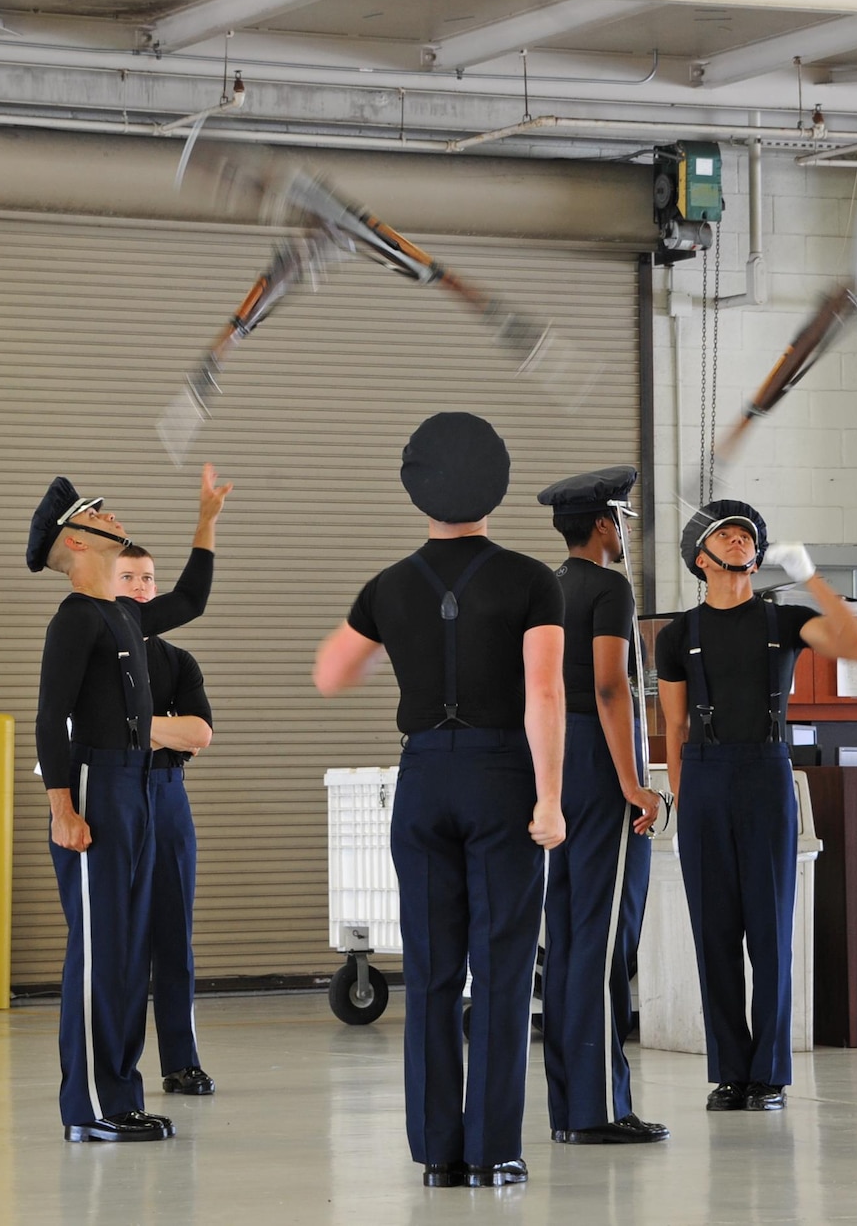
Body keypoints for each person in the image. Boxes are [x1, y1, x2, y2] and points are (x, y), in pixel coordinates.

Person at [313, 412, 567, 1189]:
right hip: (500, 777)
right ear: (494, 483)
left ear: (417, 487)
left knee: (429, 969)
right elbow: (545, 690)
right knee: (499, 967)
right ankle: (495, 1150)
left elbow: (330, 672)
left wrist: (402, 647)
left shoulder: (388, 585)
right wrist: (550, 799)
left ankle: (438, 1153)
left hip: (421, 780)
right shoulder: (531, 579)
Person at [30, 466, 232, 1144]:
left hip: (138, 785)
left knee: (125, 952)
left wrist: (205, 519)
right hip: (95, 786)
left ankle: (120, 1095)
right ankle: (89, 1107)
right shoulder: (74, 619)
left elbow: (193, 598)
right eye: (99, 516)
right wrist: (62, 807)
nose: (113, 519)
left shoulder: (121, 613)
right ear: (77, 542)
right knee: (100, 950)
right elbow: (49, 717)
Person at [655, 501, 857, 1113]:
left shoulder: (786, 618)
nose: (740, 539)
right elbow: (673, 725)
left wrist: (812, 577)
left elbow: (855, 646)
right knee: (714, 931)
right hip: (703, 776)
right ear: (702, 557)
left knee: (770, 929)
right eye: (726, 533)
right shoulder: (678, 634)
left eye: (747, 533)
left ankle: (769, 1075)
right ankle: (730, 1071)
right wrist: (682, 796)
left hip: (766, 772)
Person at [532, 466, 667, 1148]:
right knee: (605, 939)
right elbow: (612, 687)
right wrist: (634, 784)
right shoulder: (608, 588)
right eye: (623, 519)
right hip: (598, 761)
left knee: (569, 937)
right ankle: (600, 1108)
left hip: (555, 761)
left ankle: (570, 1105)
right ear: (605, 524)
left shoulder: (547, 588)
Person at [115, 544, 218, 1098]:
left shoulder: (178, 662)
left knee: (174, 937)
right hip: (114, 796)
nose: (139, 586)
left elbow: (199, 735)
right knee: (122, 942)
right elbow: (77, 733)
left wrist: (128, 724)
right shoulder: (94, 651)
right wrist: (163, 725)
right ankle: (119, 1066)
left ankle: (182, 1060)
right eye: (127, 575)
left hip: (168, 795)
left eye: (148, 578)